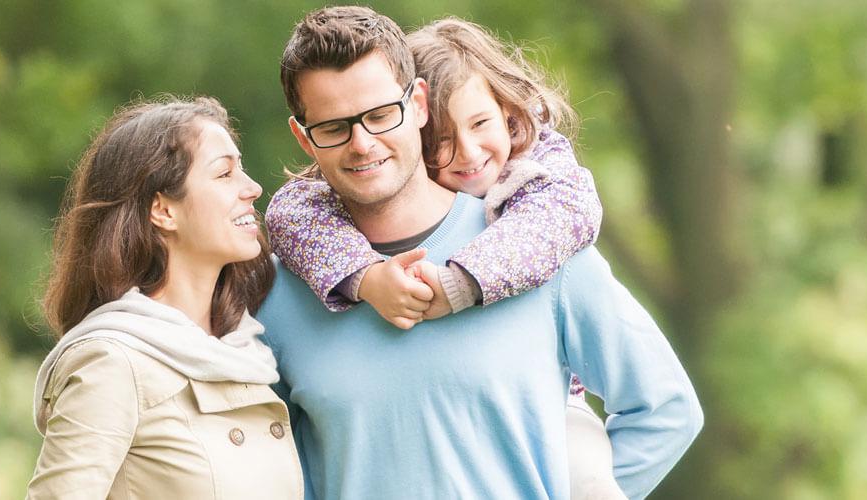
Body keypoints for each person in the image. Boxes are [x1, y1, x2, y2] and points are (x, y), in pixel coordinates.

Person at [257, 6, 702, 499]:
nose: (362, 144)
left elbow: (665, 408)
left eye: (381, 115)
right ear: (303, 138)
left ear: (419, 105)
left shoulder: (538, 247)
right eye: (334, 128)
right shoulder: (277, 296)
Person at [28, 96, 301, 499]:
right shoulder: (114, 361)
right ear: (163, 211)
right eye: (225, 173)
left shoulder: (245, 349)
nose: (253, 188)